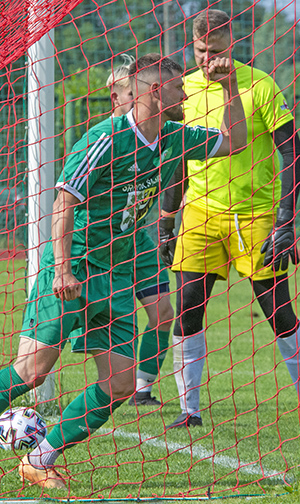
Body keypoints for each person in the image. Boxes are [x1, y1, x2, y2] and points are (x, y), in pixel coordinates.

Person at [0, 52, 247, 496]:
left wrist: (229, 87)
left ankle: (39, 457)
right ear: (152, 92)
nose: (185, 95)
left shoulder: (175, 137)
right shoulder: (105, 139)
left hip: (118, 271)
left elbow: (236, 141)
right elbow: (64, 202)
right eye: (176, 88)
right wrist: (63, 269)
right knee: (32, 371)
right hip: (74, 267)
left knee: (121, 384)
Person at [159, 9, 300, 430]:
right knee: (188, 308)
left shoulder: (259, 84)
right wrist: (165, 223)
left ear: (232, 45)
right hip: (200, 214)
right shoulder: (184, 90)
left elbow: (293, 151)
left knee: (277, 309)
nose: (206, 59)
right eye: (199, 51)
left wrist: (285, 219)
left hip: (256, 215)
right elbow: (177, 157)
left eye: (214, 50)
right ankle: (188, 409)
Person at [105, 55, 174, 407]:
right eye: (120, 92)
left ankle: (142, 389)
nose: (127, 98)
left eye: (131, 91)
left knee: (163, 312)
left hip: (137, 242)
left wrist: (166, 223)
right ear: (114, 97)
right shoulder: (104, 141)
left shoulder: (161, 136)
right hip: (100, 248)